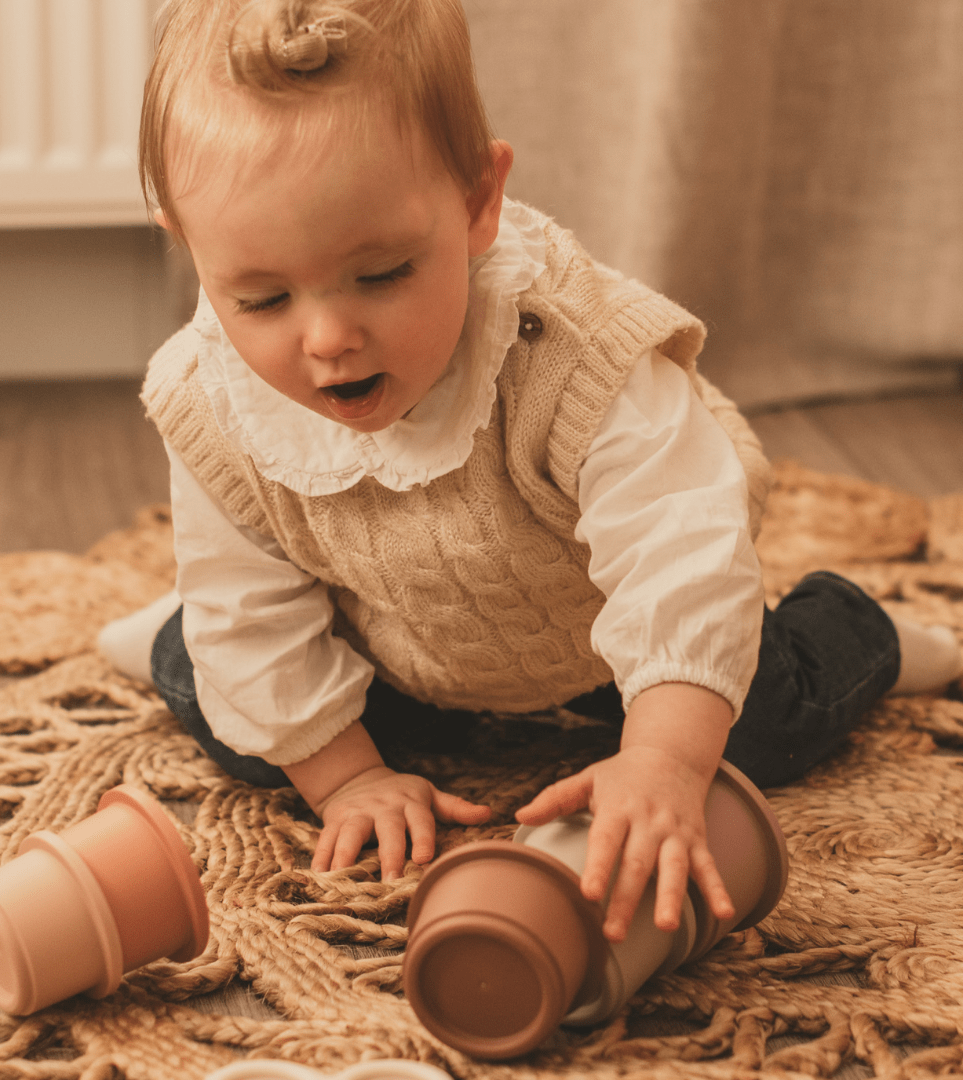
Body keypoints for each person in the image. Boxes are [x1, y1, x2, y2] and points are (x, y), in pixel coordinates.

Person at [101, 0, 963, 945]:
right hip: (391, 637)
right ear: (190, 247)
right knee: (247, 716)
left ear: (479, 201)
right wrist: (351, 778)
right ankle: (176, 630)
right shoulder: (210, 396)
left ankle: (856, 627)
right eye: (262, 298)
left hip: (592, 636)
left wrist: (665, 761)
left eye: (382, 274)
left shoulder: (573, 351)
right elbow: (252, 621)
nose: (328, 337)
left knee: (753, 727)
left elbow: (680, 550)